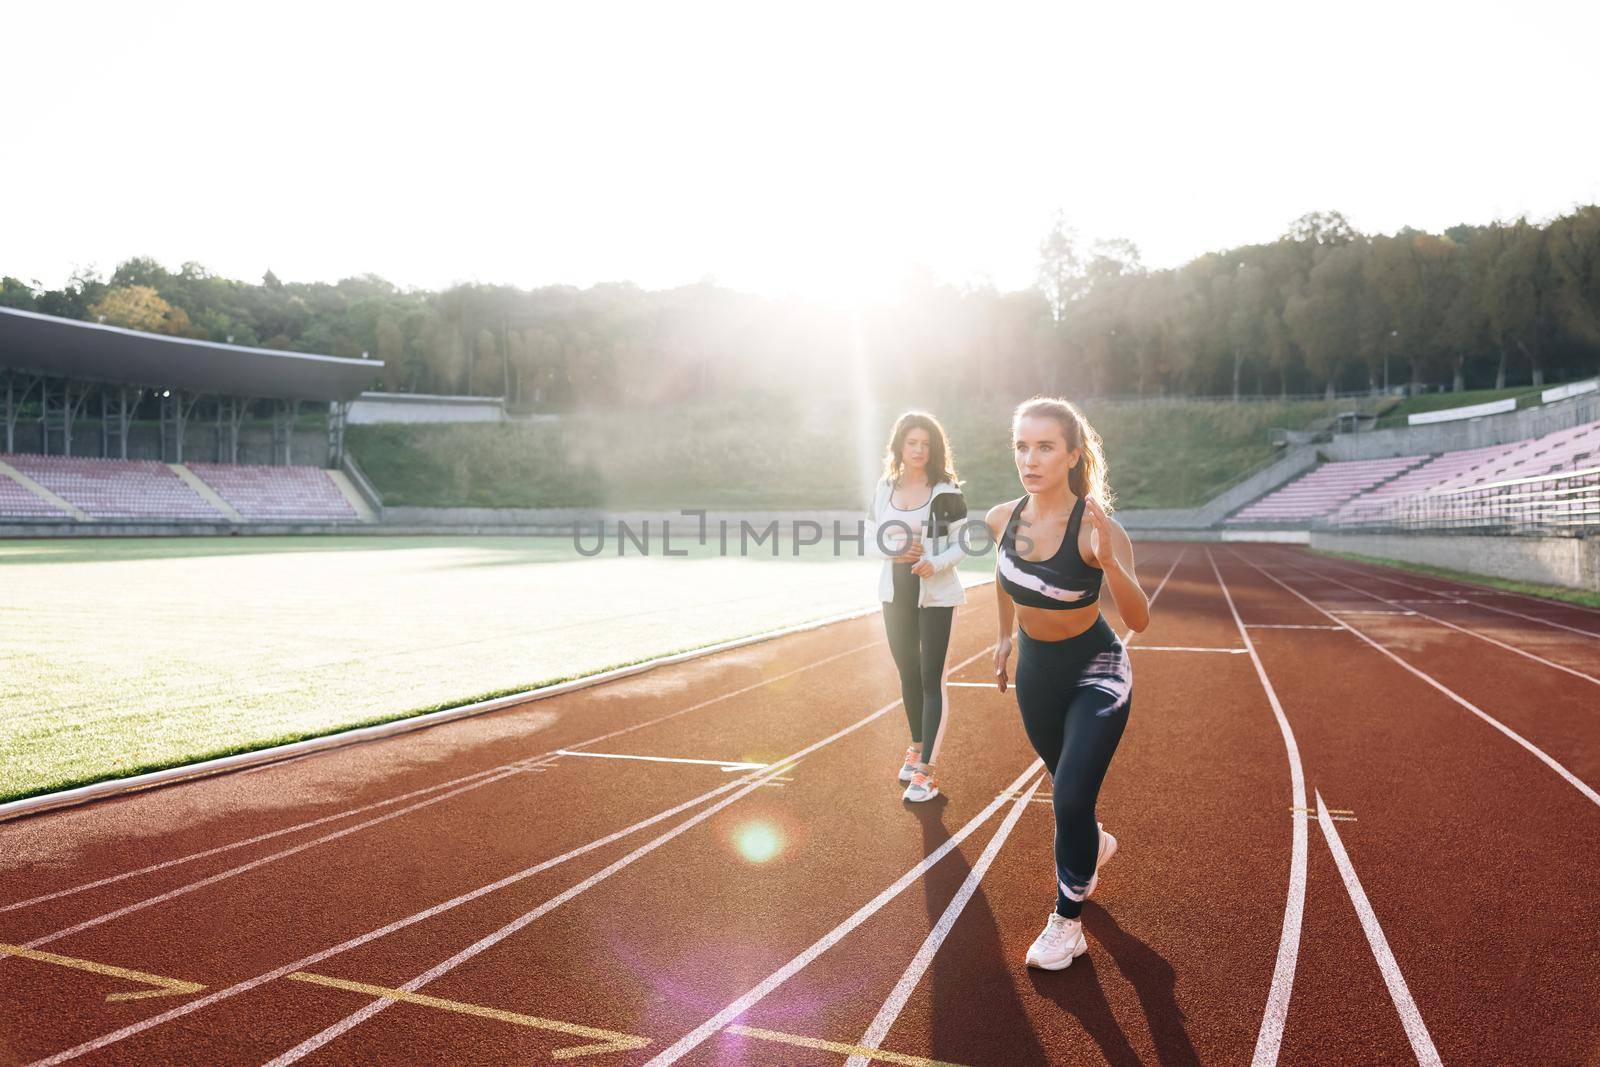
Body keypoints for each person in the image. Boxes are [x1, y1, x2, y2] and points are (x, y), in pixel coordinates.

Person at [984, 396, 1150, 970]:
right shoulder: (1001, 518)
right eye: (1021, 446)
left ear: (1073, 455)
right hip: (1036, 670)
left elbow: (1139, 619)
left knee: (1069, 798)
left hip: (1096, 672)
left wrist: (1110, 565)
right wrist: (1004, 640)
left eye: (1045, 447)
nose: (1030, 459)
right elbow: (1003, 579)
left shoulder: (1097, 528)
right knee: (1069, 792)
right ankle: (1094, 843)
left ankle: (1067, 923)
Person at [864, 412, 970, 802]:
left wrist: (935, 562)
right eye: (913, 443)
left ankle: (926, 772)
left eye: (926, 444)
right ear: (900, 446)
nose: (920, 450)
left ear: (935, 448)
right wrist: (892, 550)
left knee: (931, 678)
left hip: (936, 594)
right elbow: (867, 538)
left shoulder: (945, 490)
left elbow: (963, 543)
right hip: (895, 592)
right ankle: (916, 745)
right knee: (907, 672)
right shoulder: (884, 487)